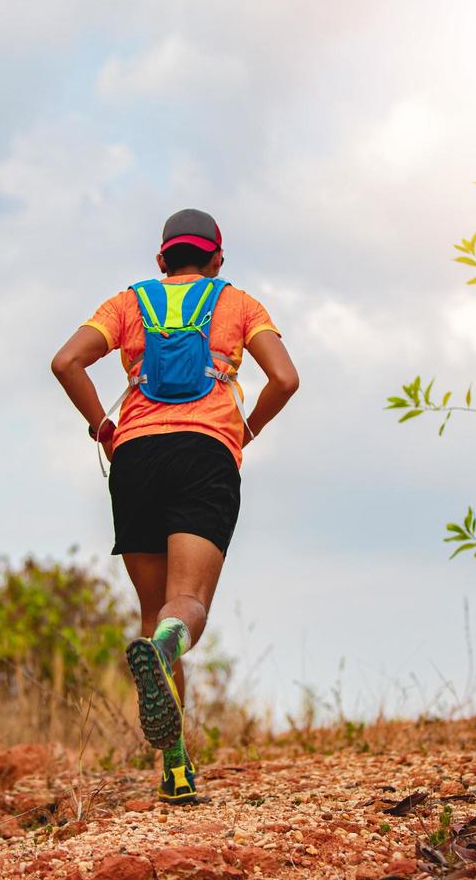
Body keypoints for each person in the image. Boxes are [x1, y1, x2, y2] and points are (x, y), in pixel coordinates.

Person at [50, 208, 299, 804]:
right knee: (182, 608)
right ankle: (165, 646)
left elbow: (65, 363)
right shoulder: (239, 304)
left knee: (152, 608)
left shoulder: (128, 303)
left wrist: (103, 426)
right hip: (205, 453)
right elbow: (284, 379)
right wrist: (246, 429)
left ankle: (176, 769)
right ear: (217, 259)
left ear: (161, 260)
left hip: (134, 458)